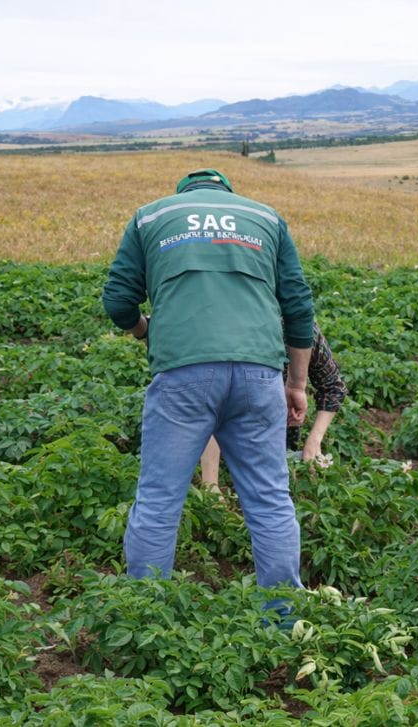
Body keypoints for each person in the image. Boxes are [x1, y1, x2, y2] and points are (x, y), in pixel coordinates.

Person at [102, 168, 314, 593]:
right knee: (269, 500)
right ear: (228, 195)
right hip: (259, 373)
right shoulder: (267, 219)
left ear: (183, 193)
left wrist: (147, 331)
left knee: (160, 500)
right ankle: (284, 618)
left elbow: (118, 301)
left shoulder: (150, 217)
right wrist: (297, 383)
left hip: (183, 371)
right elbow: (298, 306)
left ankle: (146, 614)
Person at [200, 320, 346, 491]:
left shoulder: (301, 331)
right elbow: (213, 401)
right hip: (224, 437)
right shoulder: (230, 332)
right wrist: (211, 485)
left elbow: (333, 385)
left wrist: (314, 440)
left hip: (277, 434)